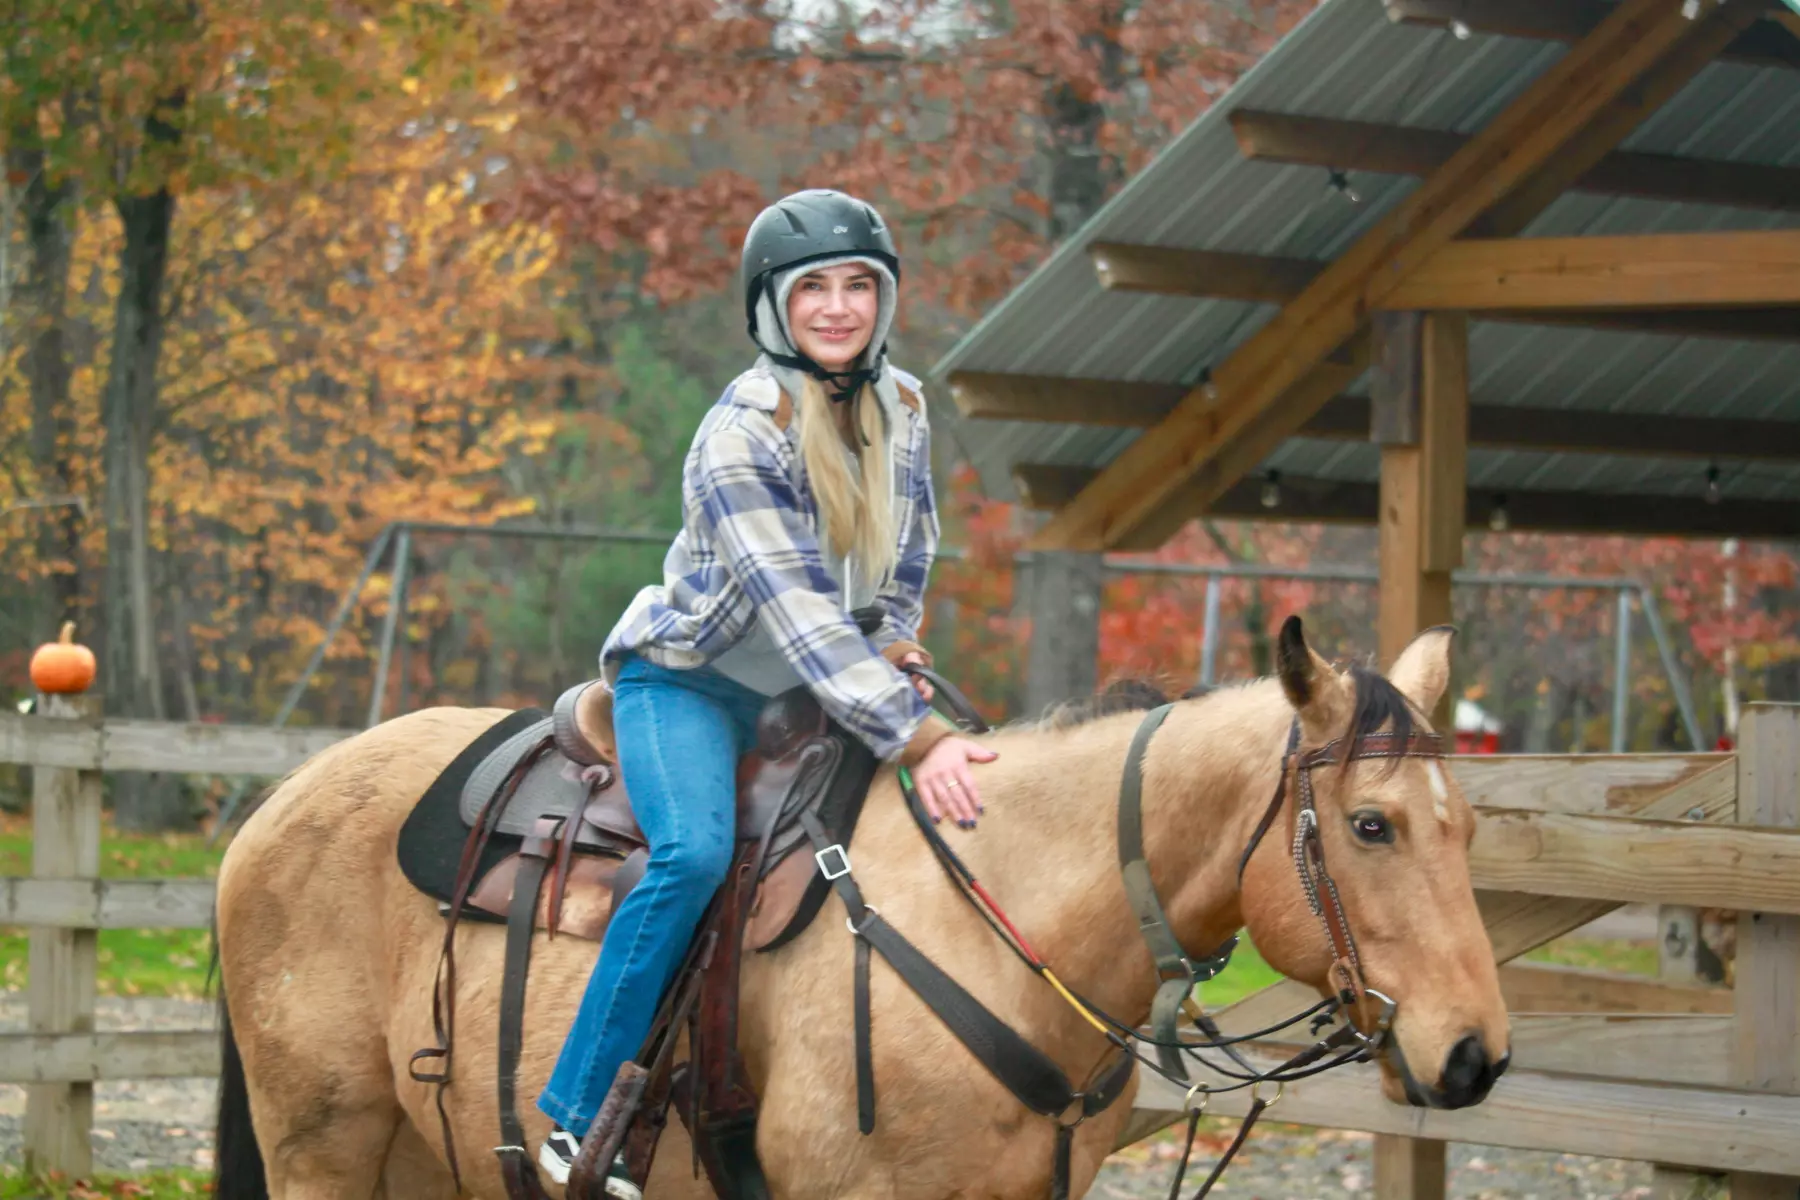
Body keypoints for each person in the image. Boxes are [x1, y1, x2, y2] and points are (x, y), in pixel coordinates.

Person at [535, 188, 997, 1195]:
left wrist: (904, 643)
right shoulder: (739, 434)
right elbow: (799, 613)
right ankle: (579, 1113)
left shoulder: (905, 407)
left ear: (884, 300)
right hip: (692, 681)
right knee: (695, 851)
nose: (838, 307)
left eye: (858, 286)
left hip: (817, 685)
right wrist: (916, 735)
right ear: (771, 307)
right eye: (813, 289)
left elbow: (909, 550)